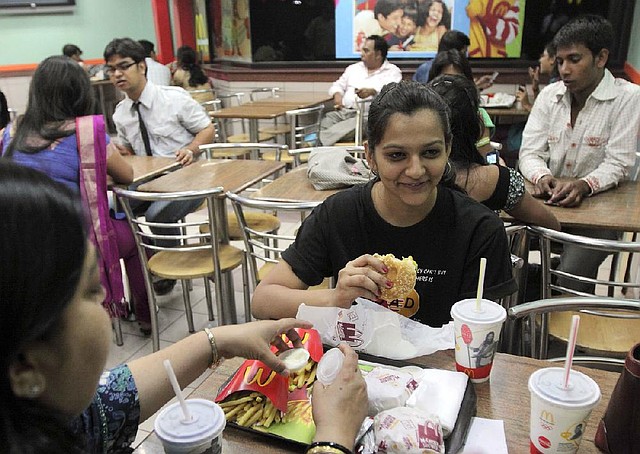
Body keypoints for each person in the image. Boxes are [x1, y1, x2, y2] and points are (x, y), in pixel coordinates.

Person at [0, 160, 368, 453]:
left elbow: (111, 399)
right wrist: (334, 438)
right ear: (25, 363)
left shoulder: (53, 416)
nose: (108, 304)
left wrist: (219, 339)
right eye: (93, 290)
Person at [253, 80, 517, 328]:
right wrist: (334, 298)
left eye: (430, 152)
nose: (415, 170)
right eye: (397, 155)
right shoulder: (338, 215)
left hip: (442, 373)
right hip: (353, 368)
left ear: (448, 148)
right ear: (370, 155)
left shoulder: (479, 229)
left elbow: (478, 335)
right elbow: (263, 301)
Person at [0, 55, 155, 333]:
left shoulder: (10, 132)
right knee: (135, 240)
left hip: (23, 241)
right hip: (73, 240)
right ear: (79, 92)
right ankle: (144, 317)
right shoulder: (87, 131)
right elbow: (127, 176)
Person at [519, 15, 640, 293]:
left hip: (600, 218)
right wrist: (542, 176)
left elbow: (619, 162)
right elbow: (529, 153)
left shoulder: (627, 97)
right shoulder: (550, 95)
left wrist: (585, 185)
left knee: (571, 276)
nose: (564, 70)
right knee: (505, 253)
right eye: (560, 61)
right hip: (547, 208)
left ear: (600, 58)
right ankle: (532, 320)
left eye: (574, 59)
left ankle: (560, 331)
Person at [104, 37, 215, 295]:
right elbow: (134, 154)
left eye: (124, 66)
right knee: (110, 206)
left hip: (187, 176)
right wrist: (125, 153)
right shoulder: (121, 112)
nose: (117, 74)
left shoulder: (173, 98)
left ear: (142, 66)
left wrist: (191, 149)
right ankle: (149, 258)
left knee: (156, 215)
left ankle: (171, 267)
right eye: (112, 69)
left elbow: (207, 129)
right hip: (148, 181)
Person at [429, 74, 560, 230]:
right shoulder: (497, 178)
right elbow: (551, 225)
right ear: (478, 124)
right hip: (486, 254)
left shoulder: (411, 178)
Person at [320, 35, 401, 146]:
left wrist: (372, 92)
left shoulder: (392, 71)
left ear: (378, 54)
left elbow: (391, 93)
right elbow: (337, 85)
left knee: (358, 124)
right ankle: (330, 140)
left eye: (366, 51)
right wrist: (337, 95)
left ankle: (320, 143)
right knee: (326, 121)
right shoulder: (353, 68)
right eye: (362, 49)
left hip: (368, 116)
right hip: (344, 112)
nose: (361, 53)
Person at [428, 50, 495, 157]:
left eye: (458, 79)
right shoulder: (423, 116)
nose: (452, 87)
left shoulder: (479, 116)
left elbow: (487, 155)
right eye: (446, 80)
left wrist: (496, 165)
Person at [516, 42, 560, 112]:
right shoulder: (554, 81)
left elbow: (543, 117)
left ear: (552, 59)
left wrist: (526, 105)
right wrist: (535, 87)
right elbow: (541, 107)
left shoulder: (557, 85)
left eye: (543, 56)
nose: (540, 60)